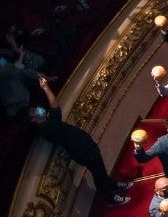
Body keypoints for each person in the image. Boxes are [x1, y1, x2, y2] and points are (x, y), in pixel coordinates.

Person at [29, 75, 131, 205]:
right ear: (33, 120)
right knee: (98, 174)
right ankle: (109, 198)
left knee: (100, 170)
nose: (36, 109)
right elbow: (55, 106)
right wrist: (46, 87)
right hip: (82, 151)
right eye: (33, 111)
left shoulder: (48, 121)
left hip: (85, 146)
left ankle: (112, 185)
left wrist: (45, 88)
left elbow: (55, 108)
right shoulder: (46, 127)